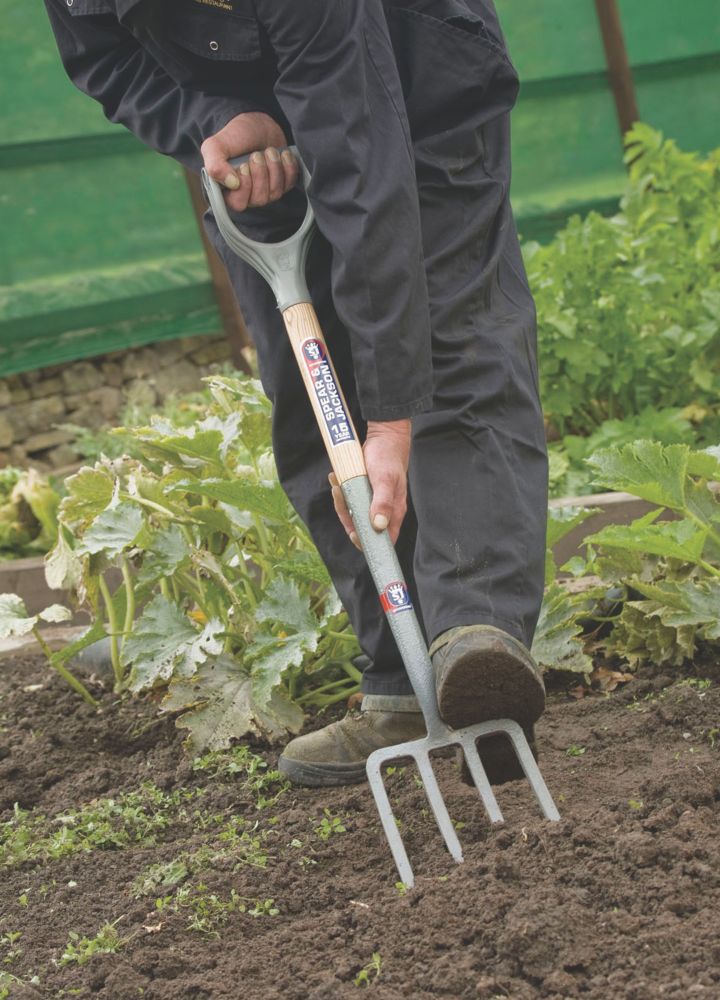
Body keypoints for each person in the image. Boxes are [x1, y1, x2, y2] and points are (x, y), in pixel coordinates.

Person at [43, 0, 548, 787]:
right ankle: (397, 687)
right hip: (248, 110)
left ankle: (473, 638)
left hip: (414, 66)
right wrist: (212, 118)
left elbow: (363, 163)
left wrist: (387, 421)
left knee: (449, 335)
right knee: (308, 396)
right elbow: (103, 59)